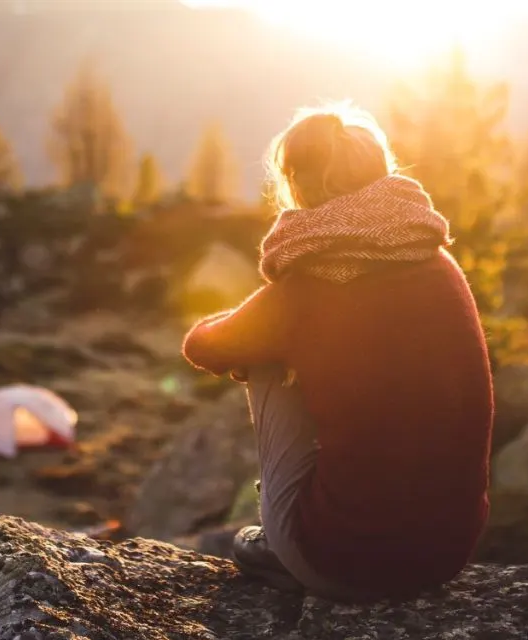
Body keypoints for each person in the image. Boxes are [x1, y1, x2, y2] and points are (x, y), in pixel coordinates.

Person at [181, 101, 493, 602]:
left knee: (262, 356)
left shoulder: (310, 284)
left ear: (299, 186)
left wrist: (273, 330)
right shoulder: (439, 263)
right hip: (445, 556)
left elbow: (204, 347)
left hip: (340, 563)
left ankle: (285, 536)